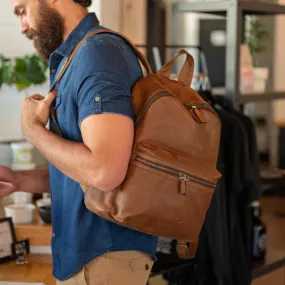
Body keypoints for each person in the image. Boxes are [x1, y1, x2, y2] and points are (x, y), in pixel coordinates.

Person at [0, 0, 157, 284]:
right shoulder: (76, 58)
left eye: (23, 10)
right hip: (91, 258)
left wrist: (33, 131)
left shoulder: (97, 54)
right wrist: (20, 181)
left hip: (103, 258)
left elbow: (104, 171)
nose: (22, 25)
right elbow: (80, 170)